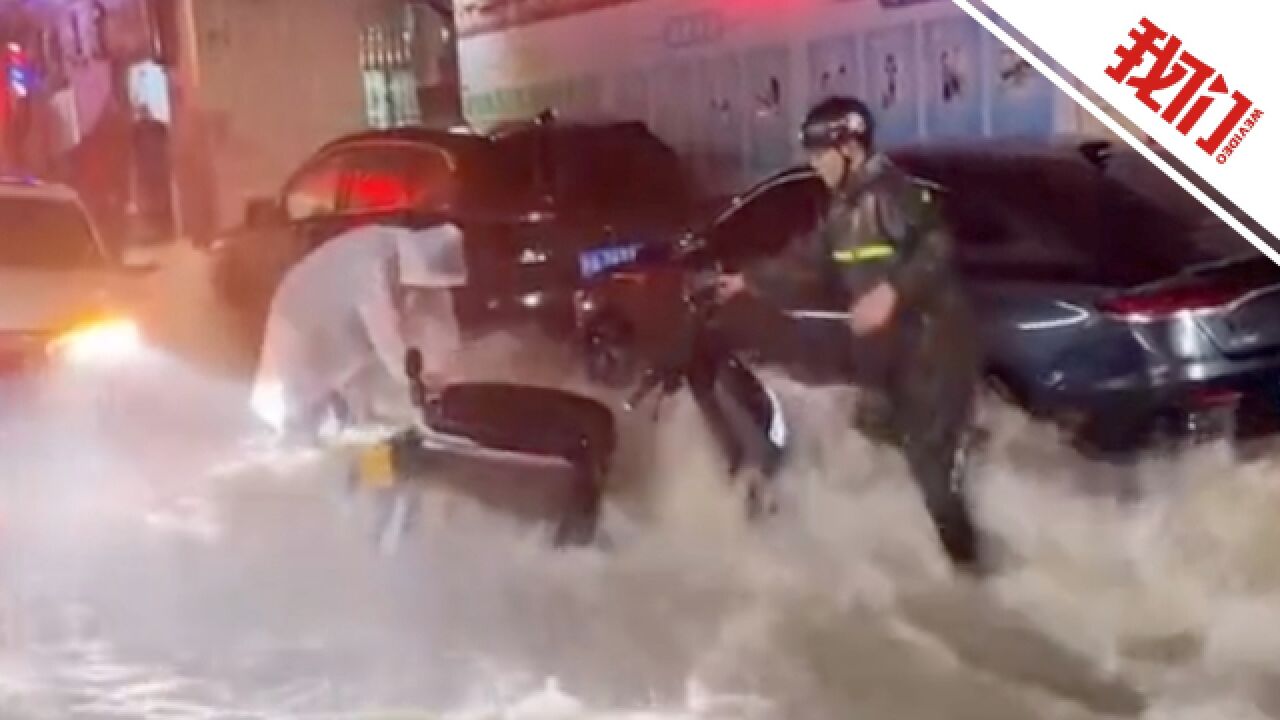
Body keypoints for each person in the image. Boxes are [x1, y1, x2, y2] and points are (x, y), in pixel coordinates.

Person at [718, 95, 984, 572]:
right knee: (871, 422)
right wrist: (748, 279)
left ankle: (972, 570)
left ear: (852, 149)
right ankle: (961, 449)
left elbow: (939, 245)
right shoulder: (843, 210)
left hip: (933, 347)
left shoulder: (890, 193)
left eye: (821, 153)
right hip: (892, 353)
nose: (815, 163)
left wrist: (892, 293)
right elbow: (808, 259)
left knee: (930, 467)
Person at [250, 222, 469, 443]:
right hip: (299, 317)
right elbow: (385, 335)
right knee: (303, 402)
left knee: (356, 403)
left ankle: (352, 449)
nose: (420, 291)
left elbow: (440, 317)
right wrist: (415, 381)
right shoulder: (373, 262)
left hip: (341, 322)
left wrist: (448, 373)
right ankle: (295, 461)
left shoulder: (424, 256)